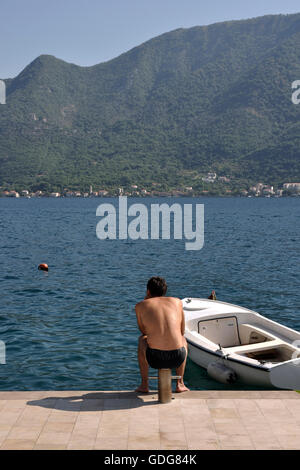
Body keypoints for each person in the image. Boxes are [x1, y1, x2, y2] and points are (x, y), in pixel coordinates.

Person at [135, 276, 189, 393]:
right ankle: (180, 383)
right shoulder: (177, 302)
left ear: (148, 291)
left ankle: (144, 385)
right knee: (183, 339)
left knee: (141, 340)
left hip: (154, 358)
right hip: (178, 357)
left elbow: (144, 332)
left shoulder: (140, 306)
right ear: (164, 291)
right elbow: (182, 331)